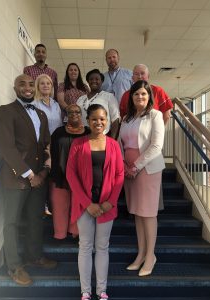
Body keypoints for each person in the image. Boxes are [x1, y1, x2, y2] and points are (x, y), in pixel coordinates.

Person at [0, 74, 57, 286]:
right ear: (15, 88)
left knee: (35, 219)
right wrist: (30, 174)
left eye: (31, 84)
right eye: (22, 84)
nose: (28, 88)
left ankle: (34, 256)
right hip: (17, 178)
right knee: (11, 222)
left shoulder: (41, 114)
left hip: (39, 178)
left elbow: (46, 145)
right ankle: (14, 266)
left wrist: (43, 173)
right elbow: (6, 147)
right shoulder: (6, 111)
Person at [66, 104, 124, 300]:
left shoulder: (114, 145)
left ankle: (101, 291)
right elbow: (70, 174)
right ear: (87, 121)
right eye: (94, 119)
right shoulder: (78, 144)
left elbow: (119, 175)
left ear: (107, 120)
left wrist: (110, 202)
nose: (98, 122)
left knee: (102, 247)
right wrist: (87, 202)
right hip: (84, 205)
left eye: (102, 119)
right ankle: (85, 291)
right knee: (85, 246)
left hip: (107, 204)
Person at [119, 80, 165, 277]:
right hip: (128, 169)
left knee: (148, 213)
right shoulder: (126, 118)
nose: (140, 97)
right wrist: (123, 165)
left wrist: (135, 167)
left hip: (146, 168)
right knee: (137, 213)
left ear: (149, 97)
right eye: (136, 94)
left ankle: (150, 255)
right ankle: (140, 254)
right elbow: (119, 143)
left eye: (144, 94)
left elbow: (156, 146)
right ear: (131, 97)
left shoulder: (155, 115)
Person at [50, 104, 90, 239]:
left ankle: (75, 232)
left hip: (80, 176)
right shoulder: (58, 132)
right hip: (60, 174)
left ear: (82, 114)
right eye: (70, 112)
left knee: (78, 205)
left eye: (77, 112)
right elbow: (52, 153)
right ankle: (60, 234)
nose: (74, 114)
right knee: (60, 206)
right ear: (66, 115)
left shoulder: (88, 132)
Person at [33, 74, 63, 215]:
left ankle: (52, 206)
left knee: (53, 176)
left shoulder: (56, 104)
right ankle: (43, 206)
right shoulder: (34, 104)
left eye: (48, 83)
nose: (46, 86)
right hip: (42, 146)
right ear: (38, 86)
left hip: (55, 145)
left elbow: (59, 124)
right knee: (43, 174)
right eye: (42, 83)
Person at [77, 69, 120, 139]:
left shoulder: (109, 97)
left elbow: (115, 120)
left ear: (102, 81)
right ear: (88, 81)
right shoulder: (80, 99)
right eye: (91, 79)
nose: (94, 81)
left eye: (97, 79)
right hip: (83, 137)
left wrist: (112, 140)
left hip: (103, 137)